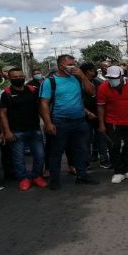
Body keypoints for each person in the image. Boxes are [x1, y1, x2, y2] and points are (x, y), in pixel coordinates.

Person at [40, 55, 96, 189]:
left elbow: (92, 92)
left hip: (79, 121)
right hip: (60, 122)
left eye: (74, 64)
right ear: (61, 66)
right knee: (56, 152)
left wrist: (83, 77)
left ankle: (82, 176)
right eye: (70, 64)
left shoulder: (77, 78)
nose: (73, 66)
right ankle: (55, 180)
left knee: (81, 150)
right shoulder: (49, 82)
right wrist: (48, 123)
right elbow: (44, 103)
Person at [0, 68, 47, 191]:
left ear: (24, 76)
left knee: (40, 155)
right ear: (9, 78)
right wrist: (6, 131)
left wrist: (47, 122)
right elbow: (2, 114)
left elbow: (40, 108)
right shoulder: (5, 93)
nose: (18, 78)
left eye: (20, 76)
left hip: (35, 129)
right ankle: (23, 178)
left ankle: (36, 176)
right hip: (16, 131)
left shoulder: (33, 90)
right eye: (14, 77)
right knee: (18, 158)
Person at [97, 66, 128, 183]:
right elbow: (100, 106)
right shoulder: (103, 88)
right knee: (114, 147)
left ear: (122, 76)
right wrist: (101, 124)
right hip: (112, 122)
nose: (112, 80)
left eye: (115, 78)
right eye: (109, 78)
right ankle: (118, 171)